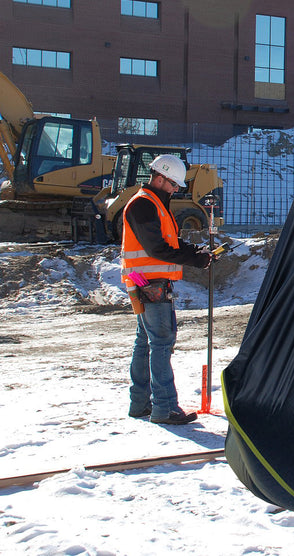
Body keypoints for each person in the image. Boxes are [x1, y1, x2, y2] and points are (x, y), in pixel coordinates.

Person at [121, 154, 213, 424]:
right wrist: (195, 260)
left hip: (147, 282)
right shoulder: (143, 205)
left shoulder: (155, 204)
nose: (176, 190)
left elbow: (169, 243)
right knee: (161, 343)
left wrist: (197, 252)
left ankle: (140, 404)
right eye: (173, 184)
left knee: (145, 343)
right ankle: (165, 408)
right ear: (160, 178)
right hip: (150, 284)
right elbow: (157, 249)